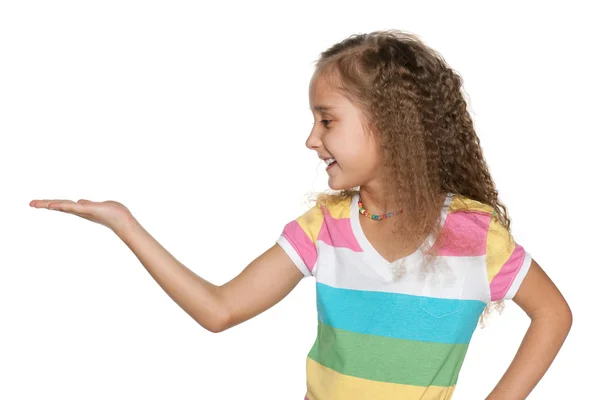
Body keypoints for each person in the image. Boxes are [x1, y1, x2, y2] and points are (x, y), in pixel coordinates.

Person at [29, 29, 572, 400]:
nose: (311, 139)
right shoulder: (324, 229)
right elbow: (219, 310)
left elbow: (554, 315)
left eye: (327, 119)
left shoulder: (473, 235)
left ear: (388, 121)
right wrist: (126, 224)